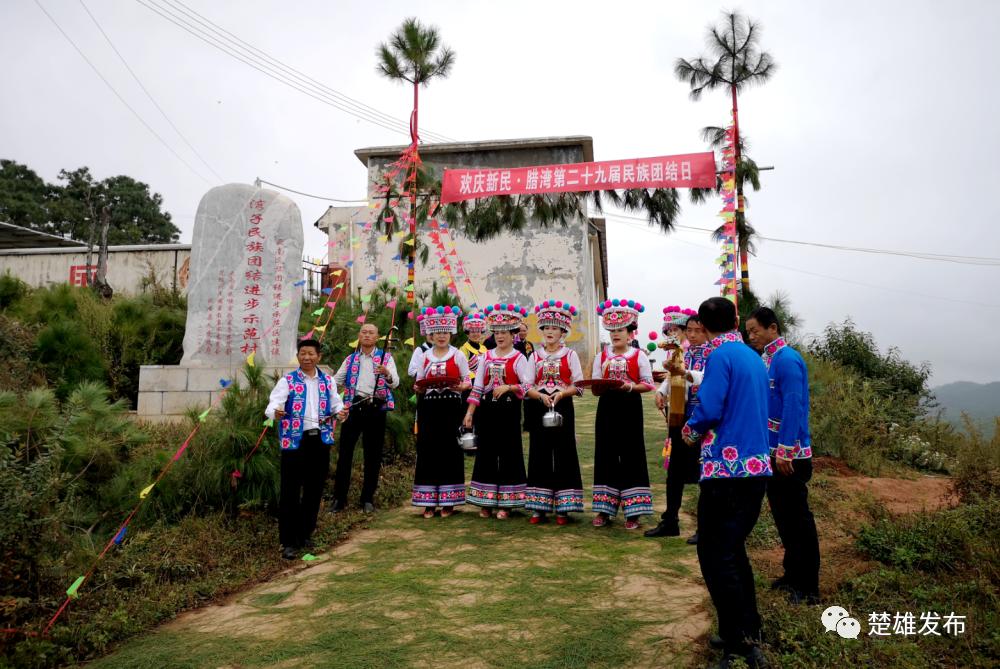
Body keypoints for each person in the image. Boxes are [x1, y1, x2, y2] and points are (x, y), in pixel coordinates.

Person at [682, 297, 772, 668]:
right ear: (736, 319)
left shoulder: (719, 356)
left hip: (726, 471)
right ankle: (747, 630)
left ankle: (740, 645)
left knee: (716, 555)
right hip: (755, 469)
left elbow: (711, 407)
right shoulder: (753, 355)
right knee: (734, 552)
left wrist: (689, 429)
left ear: (702, 325)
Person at [746, 307, 819, 605]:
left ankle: (808, 586)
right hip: (773, 453)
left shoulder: (787, 360)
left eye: (755, 330)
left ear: (772, 328)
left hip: (790, 456)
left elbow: (793, 406)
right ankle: (792, 576)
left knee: (798, 520)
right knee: (783, 518)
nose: (751, 336)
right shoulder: (767, 359)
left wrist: (786, 450)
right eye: (748, 331)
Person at [265, 338, 348, 559]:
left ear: (318, 356)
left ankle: (305, 535)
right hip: (294, 442)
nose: (307, 357)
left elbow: (336, 403)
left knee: (314, 490)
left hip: (319, 441)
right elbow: (273, 403)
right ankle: (288, 541)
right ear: (298, 356)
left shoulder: (327, 381)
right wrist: (276, 411)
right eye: (303, 353)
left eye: (311, 353)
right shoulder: (288, 381)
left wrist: (341, 411)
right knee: (290, 491)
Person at [463, 303, 532, 519]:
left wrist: (510, 387)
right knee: (487, 452)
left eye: (504, 333)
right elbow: (478, 387)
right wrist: (470, 413)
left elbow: (528, 385)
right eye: (497, 332)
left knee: (509, 451)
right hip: (488, 411)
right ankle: (486, 500)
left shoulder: (519, 358)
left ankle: (507, 503)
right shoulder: (487, 356)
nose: (500, 336)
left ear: (513, 335)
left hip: (509, 410)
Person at [591, 298, 655, 530]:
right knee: (605, 454)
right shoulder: (601, 356)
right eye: (612, 330)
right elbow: (596, 387)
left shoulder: (639, 356)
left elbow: (648, 384)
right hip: (607, 408)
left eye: (620, 330)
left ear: (630, 333)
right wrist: (599, 386)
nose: (616, 334)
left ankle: (633, 512)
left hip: (629, 408)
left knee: (631, 454)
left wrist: (629, 386)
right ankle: (604, 510)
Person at [647, 308, 706, 542]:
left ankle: (705, 527)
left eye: (697, 330)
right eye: (688, 330)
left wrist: (685, 372)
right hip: (678, 417)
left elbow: (704, 377)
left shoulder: (713, 354)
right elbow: (673, 377)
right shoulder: (682, 353)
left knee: (703, 474)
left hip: (700, 419)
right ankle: (670, 520)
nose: (692, 335)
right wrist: (661, 391)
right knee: (674, 472)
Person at [524, 300, 585, 525]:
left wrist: (560, 394)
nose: (550, 332)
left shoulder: (570, 355)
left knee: (564, 452)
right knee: (539, 452)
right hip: (540, 404)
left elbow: (578, 385)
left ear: (562, 332)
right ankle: (538, 507)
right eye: (546, 328)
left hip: (562, 405)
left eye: (554, 328)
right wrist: (540, 395)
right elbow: (525, 385)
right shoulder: (535, 356)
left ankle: (563, 508)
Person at [331, 323, 399, 514]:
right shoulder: (351, 359)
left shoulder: (386, 358)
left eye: (371, 332)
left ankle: (367, 498)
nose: (367, 335)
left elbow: (395, 383)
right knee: (345, 453)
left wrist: (386, 373)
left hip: (376, 408)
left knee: (373, 454)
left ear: (377, 337)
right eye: (364, 332)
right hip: (353, 408)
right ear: (359, 336)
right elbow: (334, 382)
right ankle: (339, 499)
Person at [412, 306, 471, 517]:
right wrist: (418, 388)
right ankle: (428, 501)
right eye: (437, 333)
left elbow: (467, 381)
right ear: (431, 334)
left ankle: (449, 501)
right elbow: (418, 383)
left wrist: (461, 387)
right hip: (429, 408)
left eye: (445, 333)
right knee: (428, 451)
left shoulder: (458, 356)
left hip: (451, 407)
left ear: (450, 333)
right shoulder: (424, 356)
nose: (441, 336)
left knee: (449, 451)